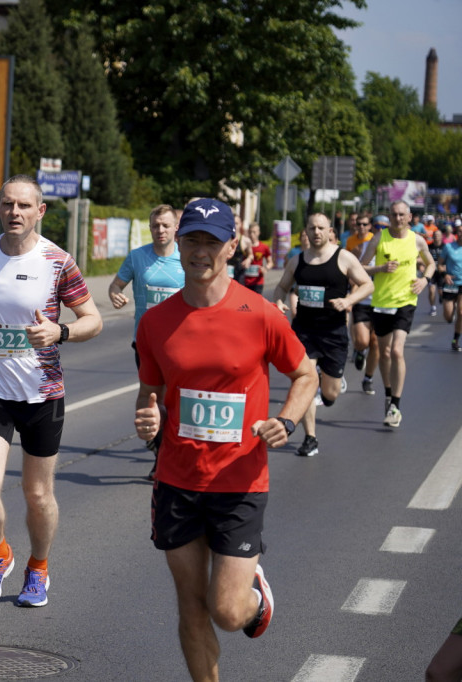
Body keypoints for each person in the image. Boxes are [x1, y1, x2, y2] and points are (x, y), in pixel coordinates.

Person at [133, 197, 316, 682]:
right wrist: (147, 417)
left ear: (231, 247)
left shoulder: (259, 314)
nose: (199, 251)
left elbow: (305, 375)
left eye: (210, 242)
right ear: (179, 244)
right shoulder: (156, 323)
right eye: (191, 240)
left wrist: (287, 422)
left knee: (228, 612)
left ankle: (255, 597)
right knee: (191, 606)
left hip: (240, 481)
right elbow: (149, 392)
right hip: (176, 480)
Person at [0, 175, 102, 608]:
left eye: (24, 206)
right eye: (7, 204)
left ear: (40, 212)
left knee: (37, 496)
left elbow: (93, 318)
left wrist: (61, 330)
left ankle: (38, 566)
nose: (14, 212)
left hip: (43, 394)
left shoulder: (58, 261)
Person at [271, 214, 373, 457]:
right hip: (304, 331)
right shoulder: (298, 261)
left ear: (330, 231)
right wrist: (278, 301)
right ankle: (310, 437)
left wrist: (348, 300)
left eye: (321, 228)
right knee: (304, 381)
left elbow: (368, 284)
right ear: (305, 231)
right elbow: (282, 286)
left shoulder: (343, 257)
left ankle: (328, 391)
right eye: (311, 228)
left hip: (333, 333)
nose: (316, 232)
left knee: (330, 393)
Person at [107, 204, 183, 478]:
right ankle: (160, 450)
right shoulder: (138, 257)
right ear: (150, 228)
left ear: (176, 227)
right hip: (146, 342)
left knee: (175, 399)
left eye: (165, 225)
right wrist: (115, 294)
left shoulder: (185, 258)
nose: (160, 230)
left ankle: (168, 453)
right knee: (153, 397)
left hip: (181, 343)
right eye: (155, 225)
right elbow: (116, 284)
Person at [359, 200, 437, 428]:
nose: (398, 218)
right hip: (382, 302)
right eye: (394, 215)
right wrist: (380, 269)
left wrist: (424, 280)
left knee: (396, 351)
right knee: (383, 353)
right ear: (389, 217)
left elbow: (430, 264)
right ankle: (388, 393)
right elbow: (361, 267)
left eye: (402, 215)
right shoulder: (379, 238)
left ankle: (396, 405)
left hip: (406, 301)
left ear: (410, 216)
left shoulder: (417, 240)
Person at [352, 214, 387, 394]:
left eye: (384, 227)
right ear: (372, 228)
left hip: (383, 301)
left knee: (376, 342)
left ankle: (368, 378)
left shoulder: (393, 248)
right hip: (364, 300)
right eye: (377, 226)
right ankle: (359, 351)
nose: (380, 230)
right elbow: (355, 271)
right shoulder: (362, 247)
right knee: (362, 340)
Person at [438, 231, 462, 351]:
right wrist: (445, 274)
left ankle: (455, 339)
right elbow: (440, 264)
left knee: (461, 313)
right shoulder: (449, 247)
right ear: (458, 234)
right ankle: (451, 315)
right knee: (448, 317)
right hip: (451, 284)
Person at [243, 221, 272, 295]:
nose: (252, 234)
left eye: (254, 232)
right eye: (250, 232)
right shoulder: (244, 247)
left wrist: (265, 268)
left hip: (258, 281)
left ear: (259, 233)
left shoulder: (264, 247)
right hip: (244, 281)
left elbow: (270, 262)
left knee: (256, 304)